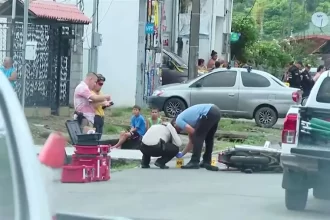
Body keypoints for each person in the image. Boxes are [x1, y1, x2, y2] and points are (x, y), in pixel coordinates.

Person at [171, 103, 221, 171]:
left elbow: (194, 134)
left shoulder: (178, 120)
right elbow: (191, 141)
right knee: (209, 138)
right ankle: (206, 161)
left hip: (208, 112)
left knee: (198, 136)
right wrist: (182, 154)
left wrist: (196, 137)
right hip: (216, 111)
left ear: (174, 123)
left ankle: (194, 161)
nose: (179, 130)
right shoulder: (190, 120)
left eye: (177, 129)